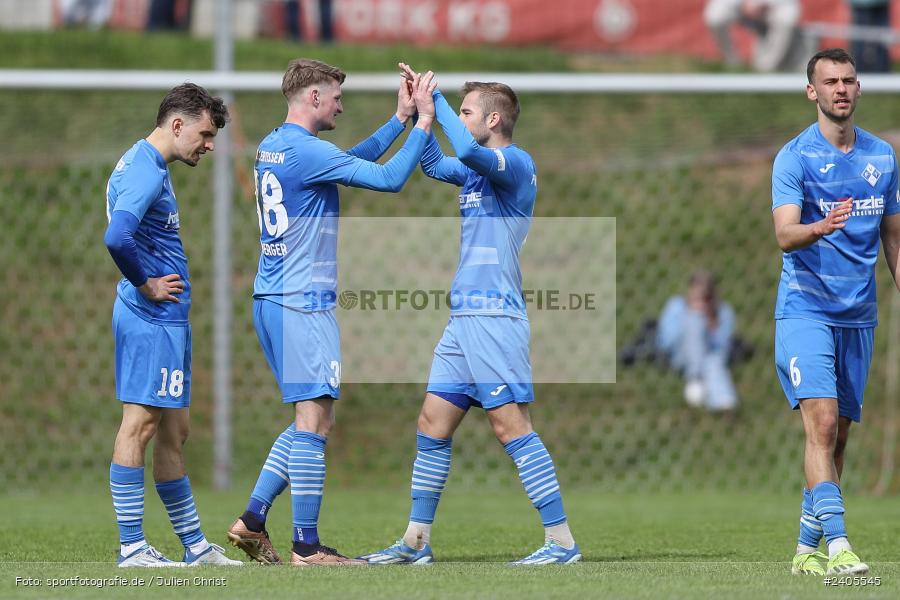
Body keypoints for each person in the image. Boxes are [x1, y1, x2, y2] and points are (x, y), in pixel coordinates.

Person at [358, 64, 580, 565]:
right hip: (464, 321)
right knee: (433, 423)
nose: (460, 117)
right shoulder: (477, 169)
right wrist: (420, 114)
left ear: (494, 118)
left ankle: (562, 542)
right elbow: (436, 165)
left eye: (466, 111)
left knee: (510, 427)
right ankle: (416, 542)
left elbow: (470, 152)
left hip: (496, 318)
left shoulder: (514, 163)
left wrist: (436, 110)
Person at [225, 59, 436, 566]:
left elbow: (343, 162)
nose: (341, 104)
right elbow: (385, 179)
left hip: (273, 298)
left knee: (310, 419)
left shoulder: (277, 144)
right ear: (314, 98)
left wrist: (399, 120)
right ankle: (306, 546)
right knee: (314, 420)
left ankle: (252, 522)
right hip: (301, 301)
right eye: (336, 96)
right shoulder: (306, 151)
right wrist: (424, 123)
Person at [772, 48, 900, 576]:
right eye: (830, 81)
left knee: (840, 435)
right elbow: (784, 234)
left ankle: (805, 551)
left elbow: (893, 237)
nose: (840, 89)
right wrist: (818, 227)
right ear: (813, 92)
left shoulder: (883, 157)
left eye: (849, 80)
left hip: (859, 314)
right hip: (806, 310)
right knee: (821, 425)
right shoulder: (794, 157)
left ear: (858, 89)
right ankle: (841, 547)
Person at [104, 83, 241, 567]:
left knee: (174, 432)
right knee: (138, 426)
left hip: (168, 321)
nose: (209, 145)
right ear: (177, 124)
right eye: (204, 134)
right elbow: (117, 236)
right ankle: (133, 547)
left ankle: (194, 547)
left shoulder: (145, 163)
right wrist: (146, 284)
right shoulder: (144, 170)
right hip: (150, 318)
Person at [656, 270, 738, 412]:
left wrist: (710, 325)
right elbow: (665, 341)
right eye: (697, 298)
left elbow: (723, 348)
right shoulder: (676, 306)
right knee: (694, 321)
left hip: (710, 356)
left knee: (713, 361)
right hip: (680, 355)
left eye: (706, 299)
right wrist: (691, 324)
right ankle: (696, 378)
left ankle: (723, 403)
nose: (701, 304)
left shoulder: (723, 312)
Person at [704, 0, 801, 72]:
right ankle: (732, 61)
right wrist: (742, 4)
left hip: (772, 8)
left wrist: (762, 4)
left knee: (787, 16)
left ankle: (765, 68)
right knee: (715, 16)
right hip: (739, 6)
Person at [848, 0, 891, 73]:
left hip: (876, 4)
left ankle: (881, 74)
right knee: (860, 41)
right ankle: (859, 73)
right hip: (862, 4)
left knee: (881, 41)